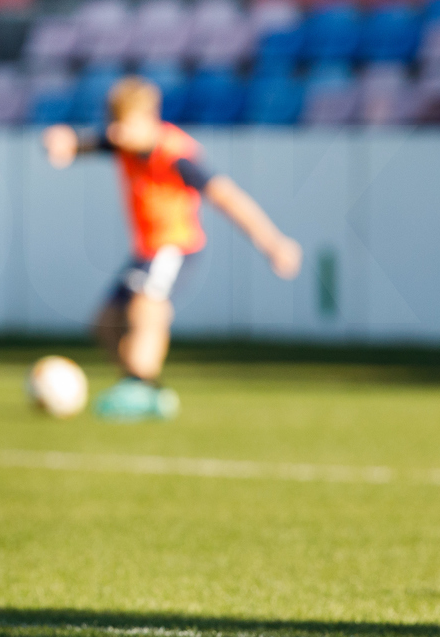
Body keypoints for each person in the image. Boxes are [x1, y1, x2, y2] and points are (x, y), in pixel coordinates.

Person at [43, 76, 300, 418]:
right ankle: (145, 391)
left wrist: (272, 243)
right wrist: (68, 144)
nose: (116, 133)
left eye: (124, 125)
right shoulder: (125, 141)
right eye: (113, 124)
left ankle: (140, 384)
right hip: (147, 250)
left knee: (147, 304)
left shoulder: (175, 154)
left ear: (149, 118)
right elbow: (90, 143)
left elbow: (227, 197)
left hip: (175, 246)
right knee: (105, 324)